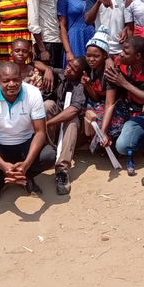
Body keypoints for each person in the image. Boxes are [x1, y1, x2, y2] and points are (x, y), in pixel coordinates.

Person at [0, 61, 56, 206]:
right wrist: (2, 165)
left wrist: (26, 164)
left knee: (49, 156)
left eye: (16, 79)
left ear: (22, 78)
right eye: (6, 80)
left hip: (25, 142)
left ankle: (26, 175)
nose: (12, 84)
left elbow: (40, 132)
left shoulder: (32, 93)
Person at [104, 36, 144, 186]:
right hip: (138, 115)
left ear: (138, 56)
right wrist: (108, 59)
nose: (121, 54)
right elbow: (109, 60)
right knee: (122, 147)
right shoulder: (122, 64)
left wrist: (124, 83)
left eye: (126, 52)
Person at [43, 56, 90, 195]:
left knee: (73, 119)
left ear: (81, 74)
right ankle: (51, 153)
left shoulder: (80, 87)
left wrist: (47, 123)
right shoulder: (63, 73)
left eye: (73, 69)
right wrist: (48, 69)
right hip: (58, 127)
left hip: (74, 132)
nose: (68, 69)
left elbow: (72, 111)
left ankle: (62, 169)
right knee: (48, 105)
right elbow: (36, 63)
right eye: (69, 65)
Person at [81, 27, 131, 152]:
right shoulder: (90, 69)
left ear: (104, 55)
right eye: (88, 55)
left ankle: (109, 142)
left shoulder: (109, 72)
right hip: (102, 103)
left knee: (101, 122)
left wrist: (103, 131)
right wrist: (87, 86)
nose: (91, 59)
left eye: (96, 56)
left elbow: (110, 104)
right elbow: (97, 98)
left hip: (117, 105)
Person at [58, 0, 95, 66]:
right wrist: (68, 51)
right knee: (75, 68)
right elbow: (62, 26)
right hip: (74, 39)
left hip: (90, 36)